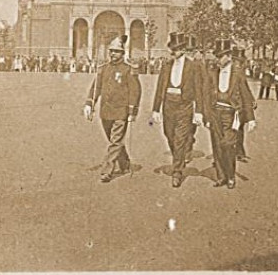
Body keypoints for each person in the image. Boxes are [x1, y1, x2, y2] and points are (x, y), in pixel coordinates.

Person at [83, 35, 142, 183]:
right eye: (111, 51)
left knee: (115, 141)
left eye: (116, 51)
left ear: (123, 53)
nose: (112, 54)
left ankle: (107, 171)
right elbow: (96, 88)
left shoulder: (128, 70)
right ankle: (125, 163)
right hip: (105, 112)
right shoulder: (103, 69)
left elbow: (135, 91)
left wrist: (132, 111)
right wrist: (89, 103)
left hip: (121, 112)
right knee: (114, 140)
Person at [151, 32, 205, 188]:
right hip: (168, 106)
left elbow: (198, 89)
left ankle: (177, 172)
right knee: (169, 135)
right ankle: (178, 157)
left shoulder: (192, 66)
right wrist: (156, 109)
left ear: (182, 48)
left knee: (180, 139)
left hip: (184, 106)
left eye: (176, 49)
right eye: (171, 49)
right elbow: (160, 87)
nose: (173, 52)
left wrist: (199, 111)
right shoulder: (166, 66)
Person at [201, 40, 256, 189]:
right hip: (215, 113)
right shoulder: (212, 71)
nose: (218, 60)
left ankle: (231, 175)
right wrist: (206, 116)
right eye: (217, 57)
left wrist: (250, 118)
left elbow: (245, 95)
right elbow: (206, 95)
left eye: (220, 57)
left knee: (228, 145)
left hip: (231, 115)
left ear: (228, 56)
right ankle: (221, 176)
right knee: (217, 146)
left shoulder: (237, 72)